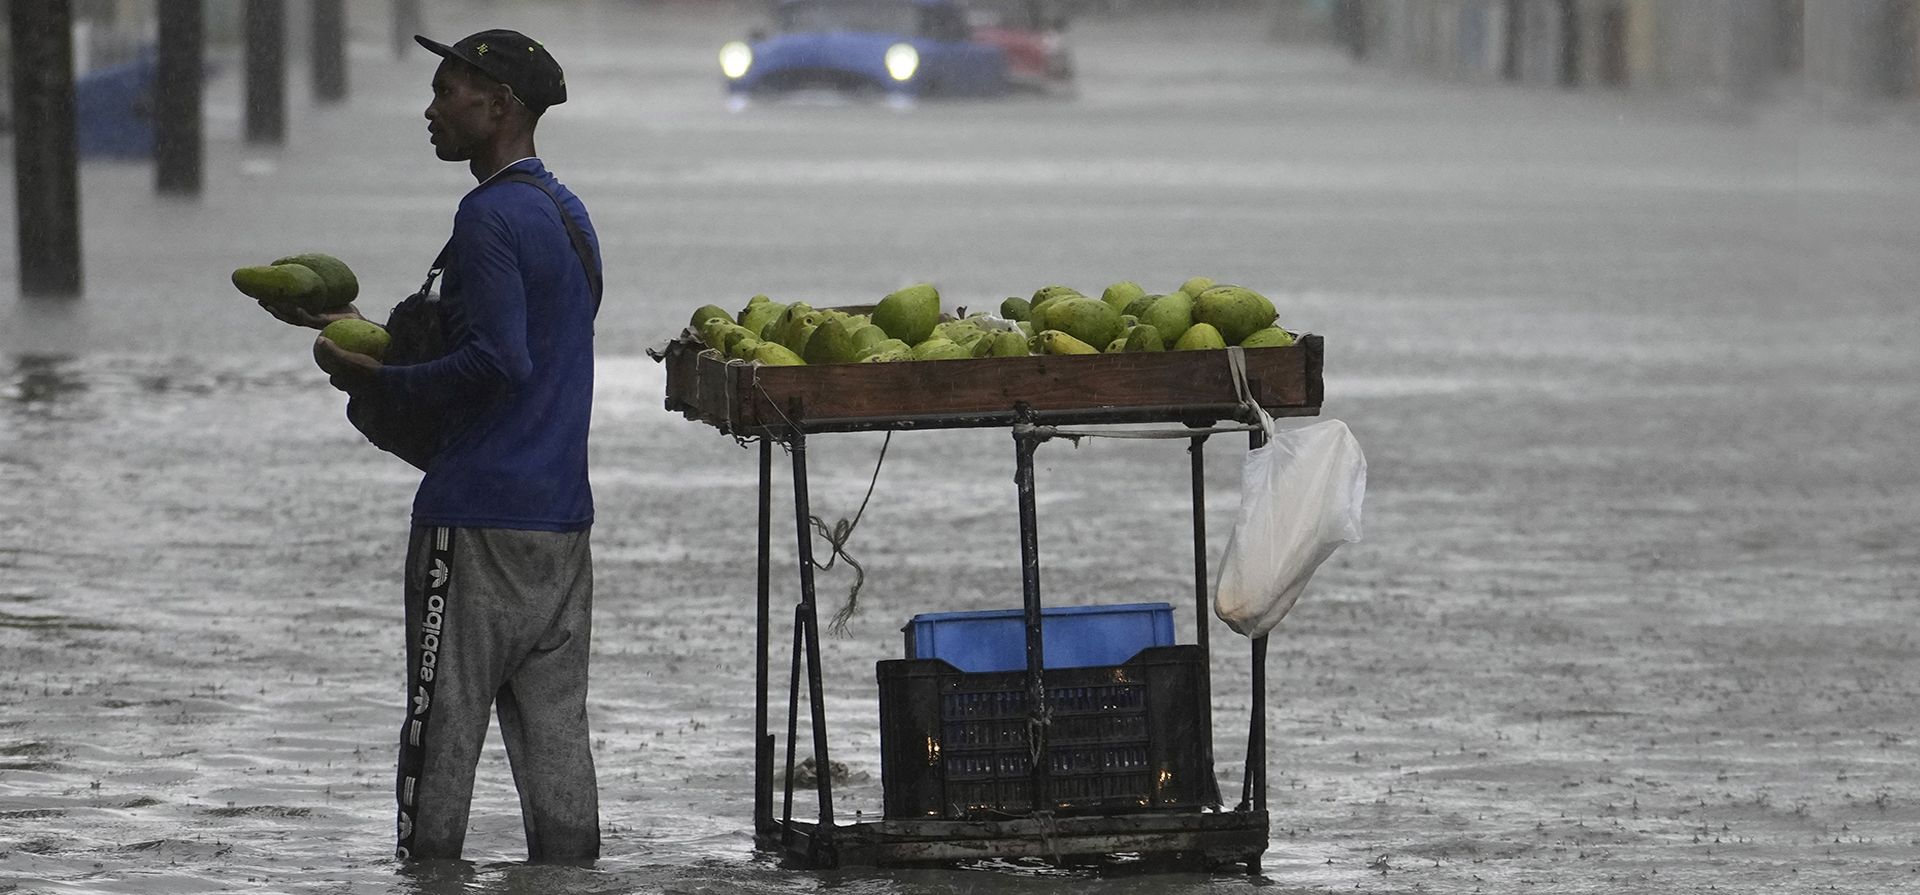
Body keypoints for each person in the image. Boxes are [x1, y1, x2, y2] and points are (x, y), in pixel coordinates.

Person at [257, 29, 603, 863]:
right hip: (560, 525)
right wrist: (372, 342)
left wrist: (375, 380)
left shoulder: (485, 217)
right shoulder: (566, 214)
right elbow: (538, 352)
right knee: (556, 742)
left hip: (474, 523)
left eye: (448, 92)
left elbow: (496, 360)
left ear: (499, 106)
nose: (431, 109)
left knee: (439, 742)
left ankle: (427, 878)